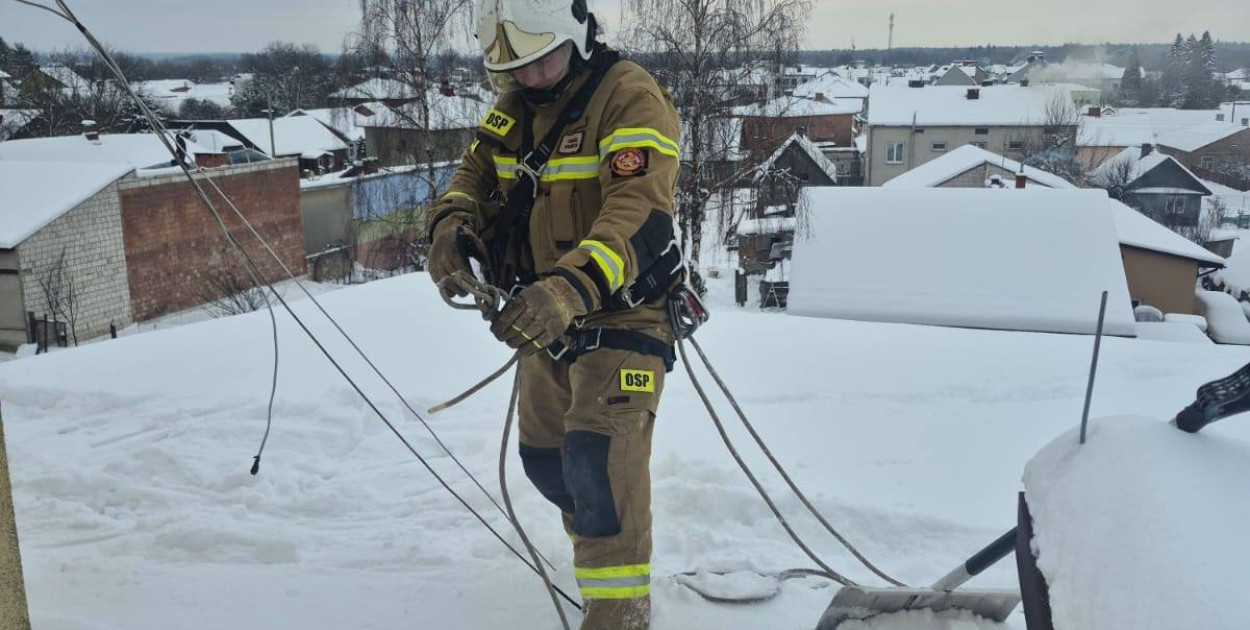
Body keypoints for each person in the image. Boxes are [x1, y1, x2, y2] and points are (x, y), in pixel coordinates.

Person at [425, 0, 682, 628]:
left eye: (542, 61)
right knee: (546, 458)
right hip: (547, 320)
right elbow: (473, 174)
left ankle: (619, 609)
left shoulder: (629, 97)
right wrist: (452, 225)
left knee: (595, 462)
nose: (532, 78)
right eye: (515, 68)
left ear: (577, 36)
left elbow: (638, 212)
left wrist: (571, 287)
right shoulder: (512, 110)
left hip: (624, 315)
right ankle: (603, 549)